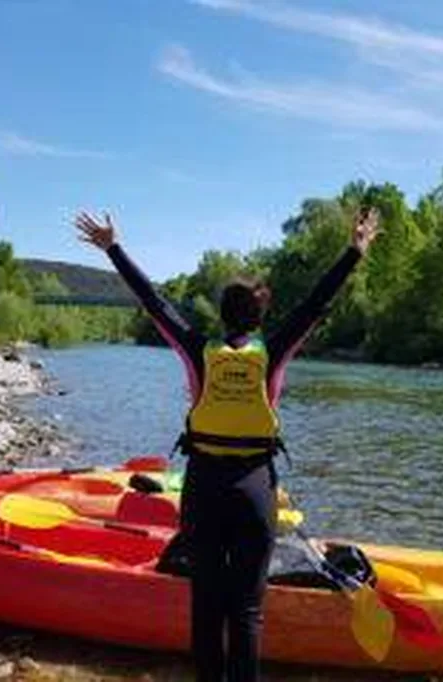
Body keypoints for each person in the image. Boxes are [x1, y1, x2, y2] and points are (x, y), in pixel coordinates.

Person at [74, 207, 379, 682]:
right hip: (255, 491)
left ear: (221, 315)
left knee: (207, 608)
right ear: (260, 319)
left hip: (205, 490)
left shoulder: (198, 351)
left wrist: (114, 248)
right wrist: (354, 252)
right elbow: (315, 304)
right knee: (247, 611)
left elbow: (154, 302)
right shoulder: (272, 352)